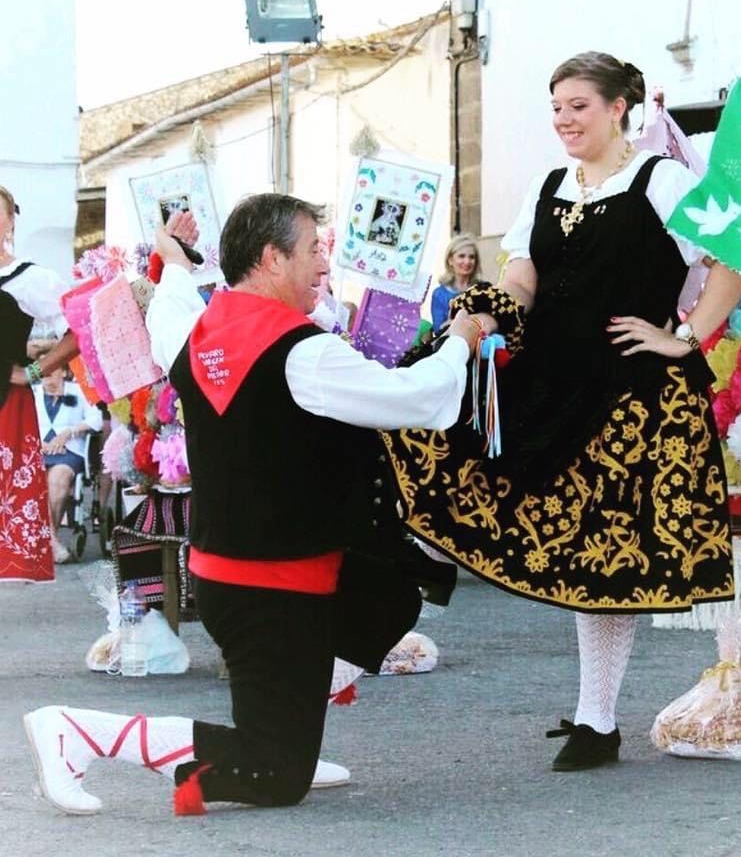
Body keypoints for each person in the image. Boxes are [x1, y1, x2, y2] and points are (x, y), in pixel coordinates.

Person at [24, 195, 478, 817]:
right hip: (277, 589)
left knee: (387, 601)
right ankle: (79, 732)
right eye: (314, 249)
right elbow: (421, 398)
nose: (324, 263)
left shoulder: (196, 329)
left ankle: (282, 727)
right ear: (271, 259)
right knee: (277, 776)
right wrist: (461, 342)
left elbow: (175, 300)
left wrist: (172, 257)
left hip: (232, 576)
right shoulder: (306, 354)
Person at [384, 52, 741, 771]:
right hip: (550, 375)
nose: (564, 120)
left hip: (629, 394)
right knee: (445, 446)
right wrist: (489, 316)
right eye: (557, 108)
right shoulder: (548, 185)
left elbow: (733, 256)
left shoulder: (664, 178)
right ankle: (425, 564)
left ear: (619, 110)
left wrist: (682, 339)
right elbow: (523, 274)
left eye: (579, 106)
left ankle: (597, 721)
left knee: (607, 557)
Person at [0, 186, 80, 582]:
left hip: (6, 407)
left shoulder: (30, 279)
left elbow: (79, 330)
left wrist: (34, 371)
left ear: (11, 220)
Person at [33, 368, 103, 562]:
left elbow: (96, 419)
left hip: (69, 451)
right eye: (42, 373)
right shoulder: (33, 393)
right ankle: (51, 541)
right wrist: (38, 444)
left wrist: (69, 432)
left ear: (63, 372)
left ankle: (47, 540)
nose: (45, 376)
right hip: (37, 449)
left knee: (58, 479)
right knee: (34, 481)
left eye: (50, 371)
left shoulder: (78, 390)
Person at [430, 233, 484, 334]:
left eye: (471, 257)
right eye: (461, 256)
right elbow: (438, 329)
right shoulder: (439, 294)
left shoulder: (483, 289)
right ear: (450, 260)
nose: (467, 261)